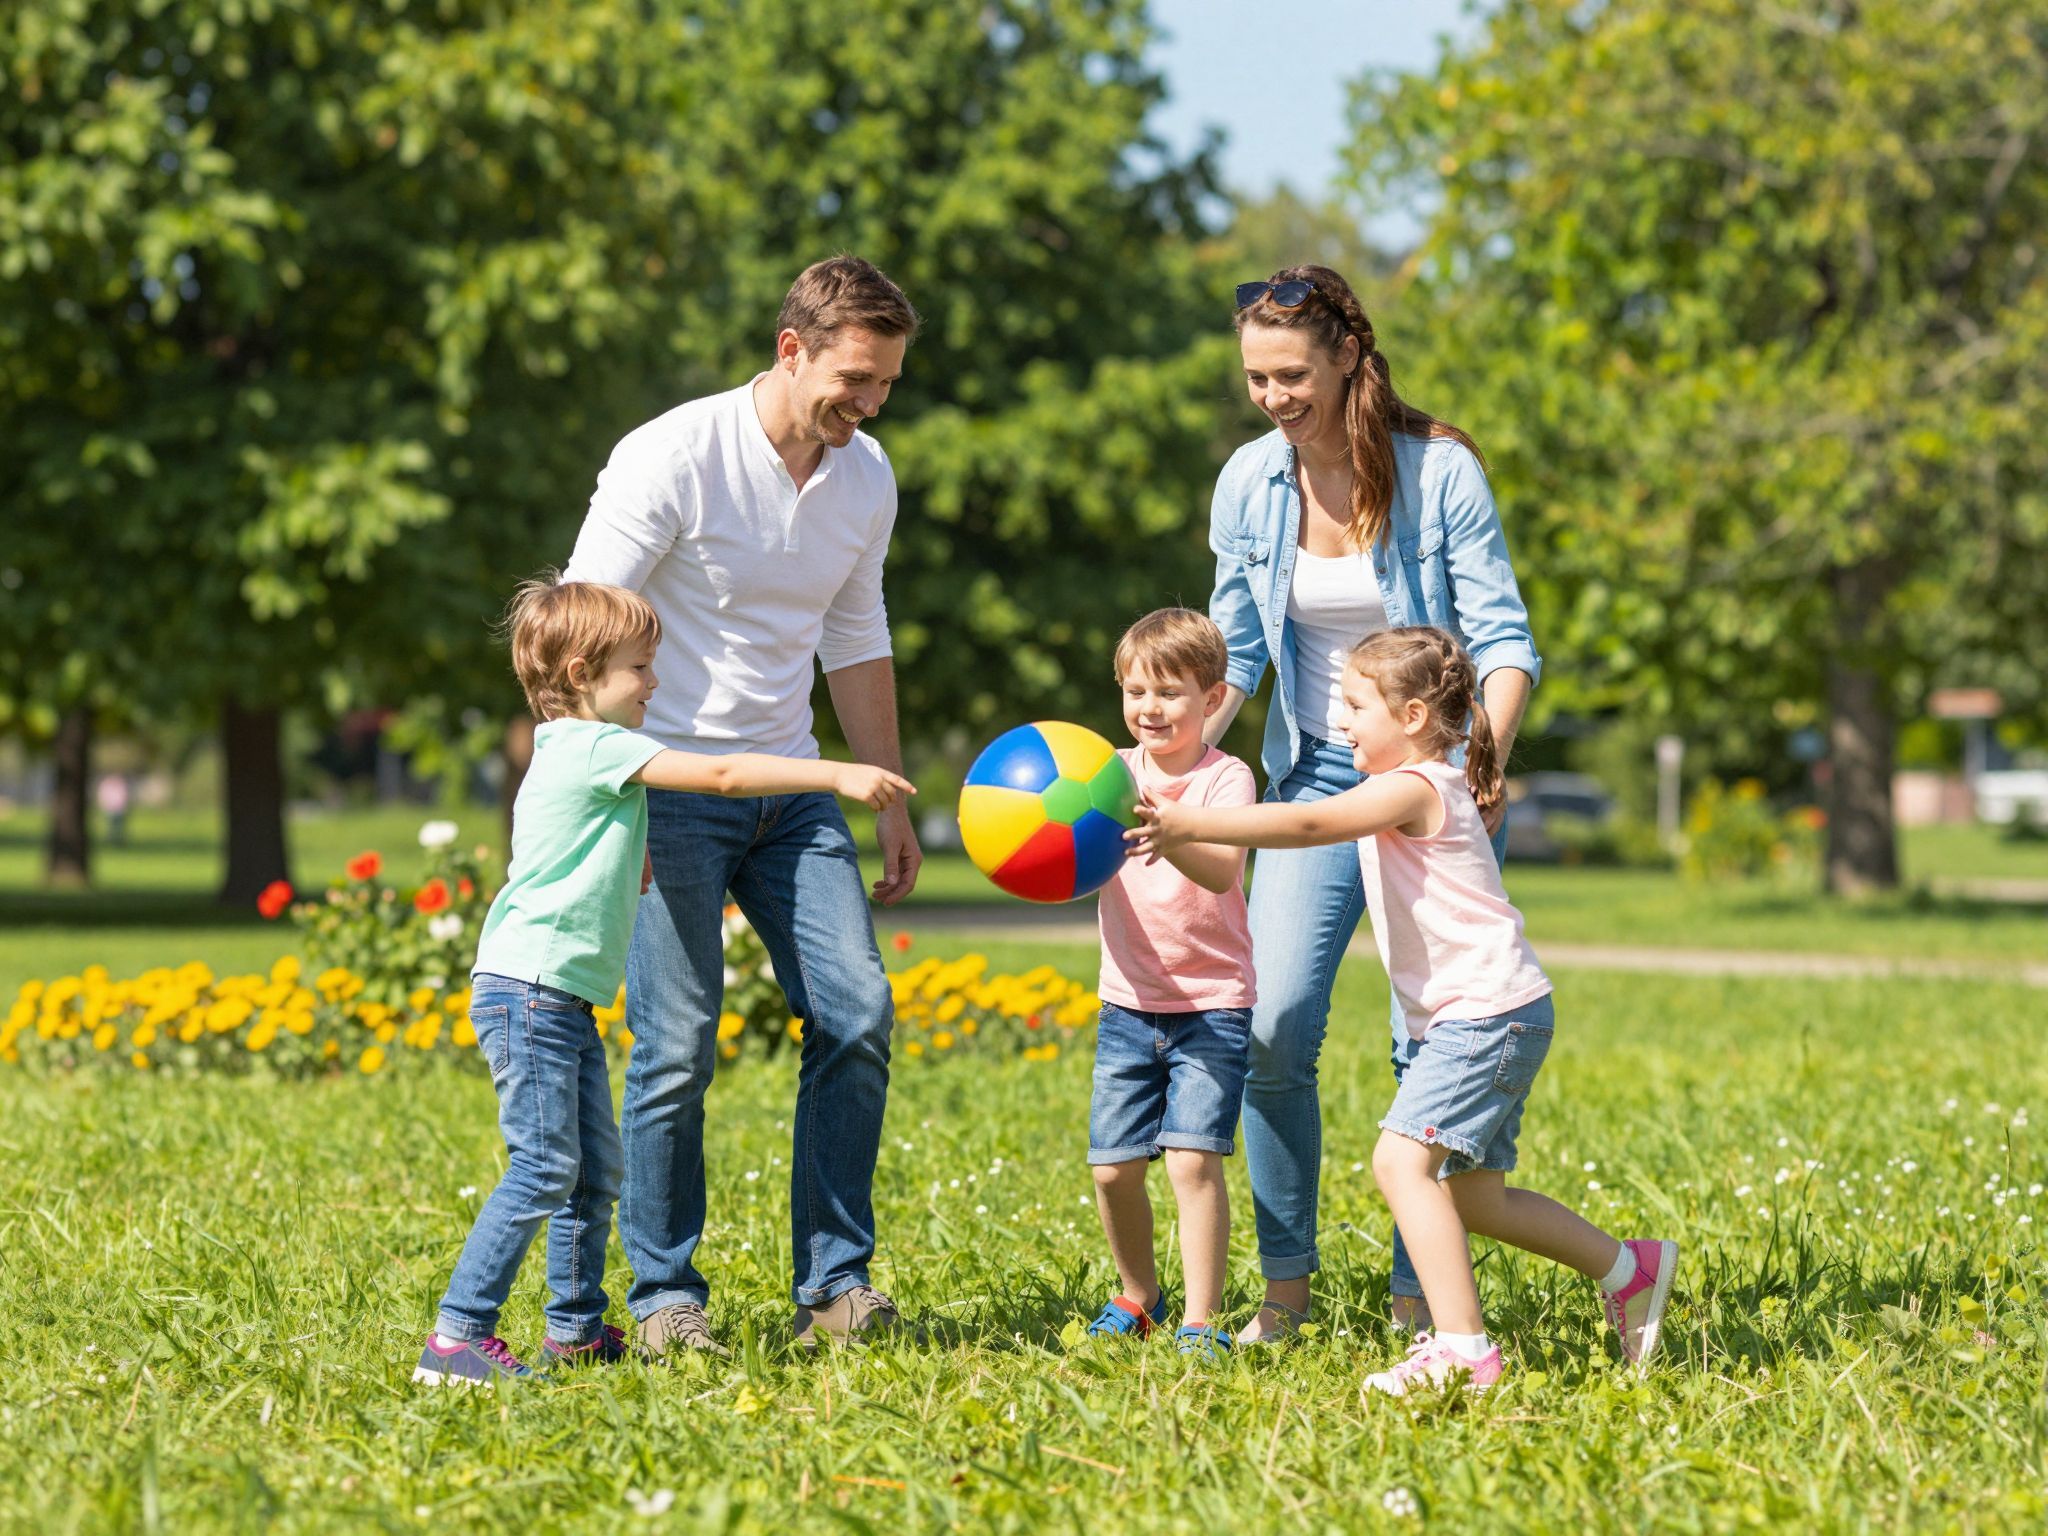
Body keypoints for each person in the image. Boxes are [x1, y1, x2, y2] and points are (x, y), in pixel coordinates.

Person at [1133, 626, 1676, 1392]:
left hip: (1485, 1018)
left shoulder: (1417, 785)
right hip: (1502, 1013)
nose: (1342, 721)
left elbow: (1309, 823)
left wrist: (1190, 821)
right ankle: (1629, 1268)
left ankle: (1462, 1349)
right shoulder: (1421, 782)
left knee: (1399, 1161)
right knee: (1476, 1197)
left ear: (1415, 717)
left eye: (1354, 706)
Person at [414, 579, 911, 1386]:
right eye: (640, 669)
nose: (654, 684)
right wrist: (835, 777)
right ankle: (457, 1336)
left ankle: (574, 1330)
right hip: (531, 994)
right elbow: (716, 775)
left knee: (592, 1168)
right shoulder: (596, 746)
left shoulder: (571, 751)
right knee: (544, 1167)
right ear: (581, 673)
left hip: (553, 995)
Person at [563, 255, 923, 1354]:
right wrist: (603, 797)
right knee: (674, 1047)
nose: (866, 405)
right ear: (790, 349)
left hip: (791, 788)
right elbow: (577, 635)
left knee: (855, 1014)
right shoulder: (672, 456)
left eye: (885, 386)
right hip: (667, 789)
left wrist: (892, 799)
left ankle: (834, 1288)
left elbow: (854, 638)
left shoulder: (864, 478)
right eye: (853, 379)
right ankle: (666, 1299)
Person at [1205, 265, 1542, 1342]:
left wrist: (1480, 757)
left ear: (1347, 353)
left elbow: (1499, 637)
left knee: (1426, 1042)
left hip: (1424, 783)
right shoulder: (1247, 485)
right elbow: (1235, 653)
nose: (1272, 397)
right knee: (1269, 1032)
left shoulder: (1436, 473)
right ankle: (1285, 1292)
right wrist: (1176, 757)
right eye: (1256, 377)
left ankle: (1417, 1302)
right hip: (1312, 773)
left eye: (1291, 373)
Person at [1081, 609, 1258, 1358]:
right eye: (1135, 691)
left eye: (1170, 693)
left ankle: (1202, 1317)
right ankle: (1139, 1293)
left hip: (1211, 1005)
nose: (1150, 708)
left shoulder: (1227, 779)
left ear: (1212, 698)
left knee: (1192, 1161)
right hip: (1126, 1001)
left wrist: (1172, 830)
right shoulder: (1108, 775)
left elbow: (1222, 868)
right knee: (1113, 1169)